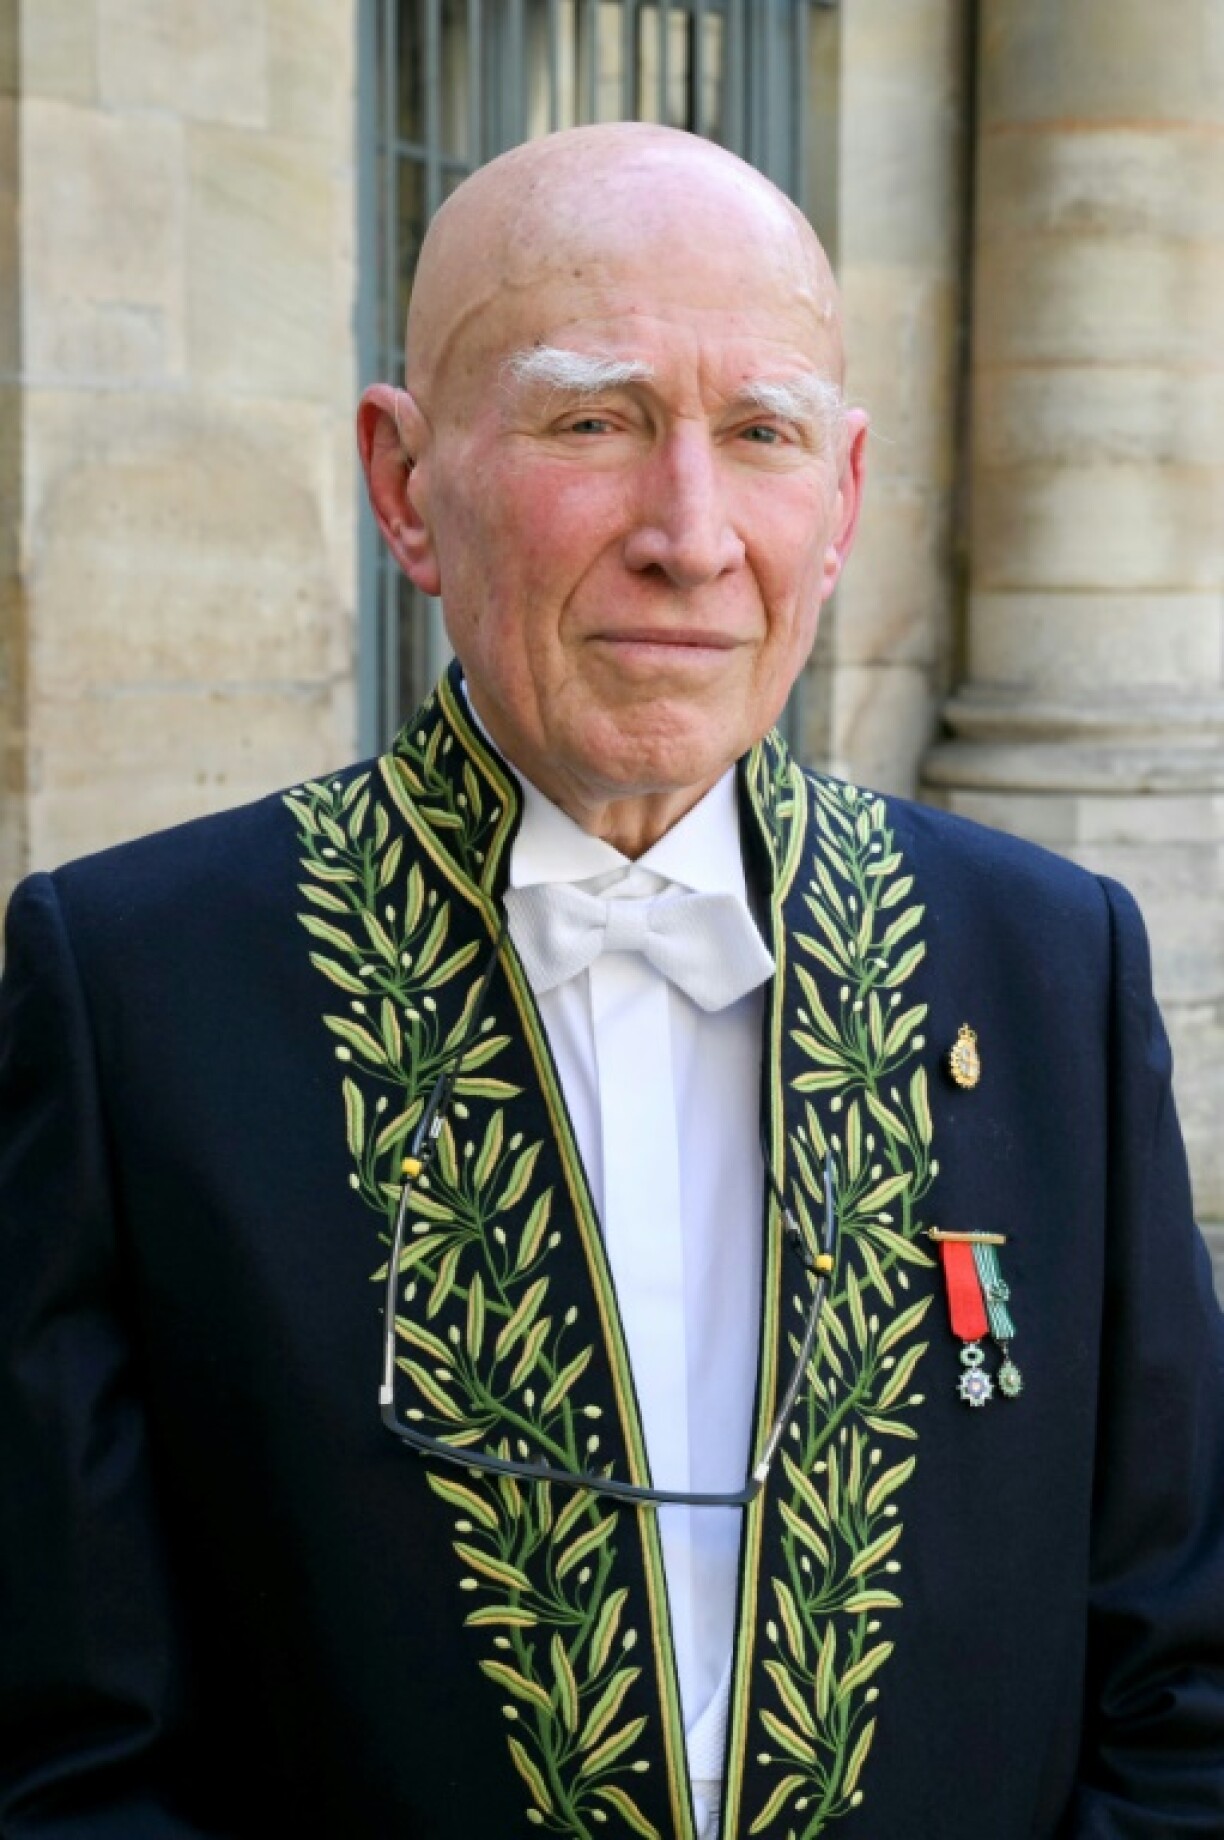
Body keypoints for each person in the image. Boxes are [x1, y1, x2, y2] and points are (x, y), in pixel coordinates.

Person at [1, 121, 1221, 1840]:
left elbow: (1180, 1689)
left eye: (763, 434)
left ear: (844, 498)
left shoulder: (1050, 969)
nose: (691, 534)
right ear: (403, 485)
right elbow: (68, 1758)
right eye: (594, 422)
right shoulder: (135, 992)